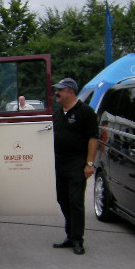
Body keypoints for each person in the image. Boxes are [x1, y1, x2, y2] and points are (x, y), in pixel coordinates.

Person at [51, 77, 99, 255]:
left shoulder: (86, 112)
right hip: (60, 163)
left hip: (77, 164)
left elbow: (93, 138)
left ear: (70, 92)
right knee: (62, 199)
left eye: (60, 90)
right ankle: (70, 235)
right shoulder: (57, 113)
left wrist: (89, 163)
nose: (56, 93)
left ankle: (77, 239)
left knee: (76, 201)